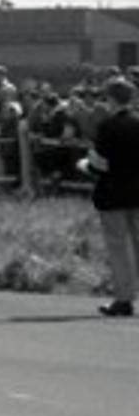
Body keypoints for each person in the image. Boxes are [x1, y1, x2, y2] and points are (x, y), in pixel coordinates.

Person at [79, 77, 139, 317]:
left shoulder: (108, 126)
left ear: (111, 99)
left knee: (118, 247)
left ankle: (124, 298)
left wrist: (84, 165)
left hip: (114, 192)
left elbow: (99, 164)